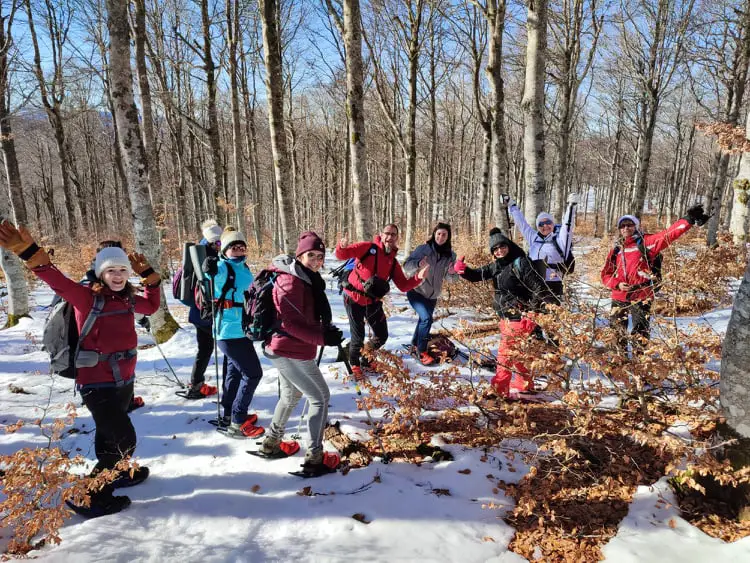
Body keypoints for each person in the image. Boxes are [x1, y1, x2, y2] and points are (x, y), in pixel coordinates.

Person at [0, 221, 161, 517]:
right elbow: (57, 281)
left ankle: (117, 472)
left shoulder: (126, 298)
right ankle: (91, 494)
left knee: (108, 433)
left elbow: (150, 307)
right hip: (96, 382)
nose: (118, 275)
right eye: (111, 270)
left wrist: (151, 278)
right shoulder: (87, 297)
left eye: (123, 270)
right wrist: (32, 255)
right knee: (125, 438)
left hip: (124, 380)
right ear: (100, 272)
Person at [260, 231, 344, 475]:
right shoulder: (290, 281)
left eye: (320, 256)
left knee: (291, 397)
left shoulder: (306, 279)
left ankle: (271, 443)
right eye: (311, 255)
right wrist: (322, 338)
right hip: (288, 349)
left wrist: (323, 331)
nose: (316, 261)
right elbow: (289, 324)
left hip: (291, 348)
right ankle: (315, 456)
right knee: (320, 397)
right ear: (299, 256)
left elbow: (304, 318)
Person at [600, 204, 708, 352]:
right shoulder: (616, 249)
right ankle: (618, 362)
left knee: (641, 332)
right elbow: (605, 274)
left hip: (641, 295)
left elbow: (668, 234)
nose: (626, 228)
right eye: (623, 226)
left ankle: (640, 363)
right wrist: (617, 284)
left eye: (630, 225)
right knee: (616, 330)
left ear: (636, 227)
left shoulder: (646, 242)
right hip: (618, 295)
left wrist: (687, 220)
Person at [454, 228, 546, 399]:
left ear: (508, 245)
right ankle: (524, 383)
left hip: (519, 316)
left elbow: (539, 288)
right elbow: (477, 275)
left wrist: (532, 312)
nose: (499, 251)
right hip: (506, 317)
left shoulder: (520, 263)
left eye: (502, 246)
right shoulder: (497, 265)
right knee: (517, 353)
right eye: (495, 249)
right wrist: (463, 270)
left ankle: (499, 389)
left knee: (505, 354)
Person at [335, 224, 429, 379]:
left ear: (397, 238)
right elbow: (342, 255)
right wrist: (341, 246)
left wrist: (419, 277)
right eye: (387, 234)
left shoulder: (392, 261)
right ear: (381, 234)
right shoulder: (367, 247)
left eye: (393, 234)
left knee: (381, 335)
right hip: (353, 298)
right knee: (358, 335)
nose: (390, 237)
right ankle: (355, 365)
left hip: (372, 301)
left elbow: (404, 285)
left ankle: (366, 359)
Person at [202, 229, 264, 438]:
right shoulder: (222, 267)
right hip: (228, 330)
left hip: (242, 328)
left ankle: (229, 412)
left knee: (234, 372)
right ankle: (238, 421)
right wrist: (207, 268)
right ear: (225, 250)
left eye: (241, 246)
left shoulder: (243, 266)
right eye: (233, 247)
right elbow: (210, 275)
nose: (238, 250)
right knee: (253, 373)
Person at [403, 222, 458, 365]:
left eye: (444, 234)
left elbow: (451, 279)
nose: (440, 236)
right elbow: (406, 266)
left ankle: (415, 342)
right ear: (434, 234)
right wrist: (418, 264)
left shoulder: (450, 255)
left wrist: (453, 273)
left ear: (448, 237)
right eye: (438, 233)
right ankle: (421, 351)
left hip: (432, 296)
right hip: (416, 291)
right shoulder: (424, 249)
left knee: (423, 320)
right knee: (427, 319)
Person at [508, 193, 578, 303]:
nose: (545, 226)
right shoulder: (534, 238)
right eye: (541, 223)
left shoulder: (560, 241)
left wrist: (571, 206)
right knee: (532, 314)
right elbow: (522, 224)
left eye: (548, 222)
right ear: (537, 226)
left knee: (550, 316)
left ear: (553, 224)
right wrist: (512, 206)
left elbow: (567, 226)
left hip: (552, 284)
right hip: (532, 283)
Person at [182, 219, 223, 400]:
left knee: (204, 350)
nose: (220, 245)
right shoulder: (210, 257)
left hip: (198, 314)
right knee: (226, 349)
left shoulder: (195, 254)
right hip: (209, 313)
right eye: (219, 242)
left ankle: (196, 385)